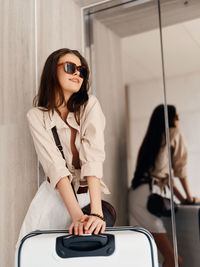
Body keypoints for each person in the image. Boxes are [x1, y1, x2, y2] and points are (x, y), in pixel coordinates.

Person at [16, 48, 110, 247]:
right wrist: (76, 216)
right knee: (33, 253)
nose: (77, 73)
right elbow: (55, 168)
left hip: (88, 197)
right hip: (54, 198)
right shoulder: (36, 116)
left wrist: (96, 213)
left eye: (82, 71)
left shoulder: (90, 105)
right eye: (70, 68)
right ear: (53, 72)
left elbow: (93, 159)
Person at [128, 104, 200, 267]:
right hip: (147, 198)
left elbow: (163, 178)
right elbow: (180, 168)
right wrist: (189, 197)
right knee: (174, 259)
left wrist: (182, 198)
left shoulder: (150, 140)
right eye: (177, 117)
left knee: (152, 258)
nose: (179, 120)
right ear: (172, 119)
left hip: (136, 196)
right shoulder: (173, 133)